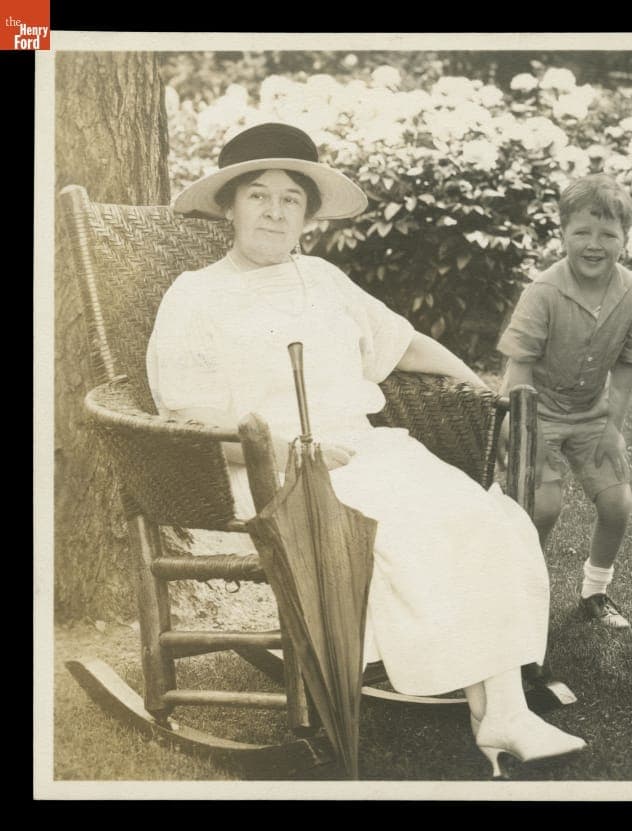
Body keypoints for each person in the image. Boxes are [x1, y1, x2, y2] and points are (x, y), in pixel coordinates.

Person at [147, 122, 586, 776]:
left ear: (306, 216)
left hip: (366, 450)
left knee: (483, 515)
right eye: (258, 195)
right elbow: (187, 410)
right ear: (230, 206)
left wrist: (477, 383)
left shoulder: (322, 279)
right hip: (273, 471)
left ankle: (499, 705)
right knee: (408, 532)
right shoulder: (195, 295)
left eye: (290, 199)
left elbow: (399, 343)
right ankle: (484, 698)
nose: (273, 210)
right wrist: (295, 449)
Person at [498, 174, 632, 630]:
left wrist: (613, 427)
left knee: (617, 503)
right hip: (535, 410)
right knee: (544, 507)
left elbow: (628, 366)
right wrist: (523, 429)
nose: (594, 244)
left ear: (625, 240)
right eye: (582, 232)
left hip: (591, 413)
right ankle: (521, 595)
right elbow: (520, 365)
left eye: (608, 235)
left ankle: (595, 591)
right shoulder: (545, 292)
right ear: (562, 232)